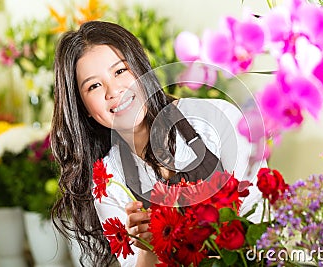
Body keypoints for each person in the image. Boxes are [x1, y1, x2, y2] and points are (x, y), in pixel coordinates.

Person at [50, 20, 265, 267]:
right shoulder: (108, 181)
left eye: (120, 71)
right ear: (83, 107)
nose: (113, 91)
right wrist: (146, 246)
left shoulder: (217, 120)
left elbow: (259, 223)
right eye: (94, 86)